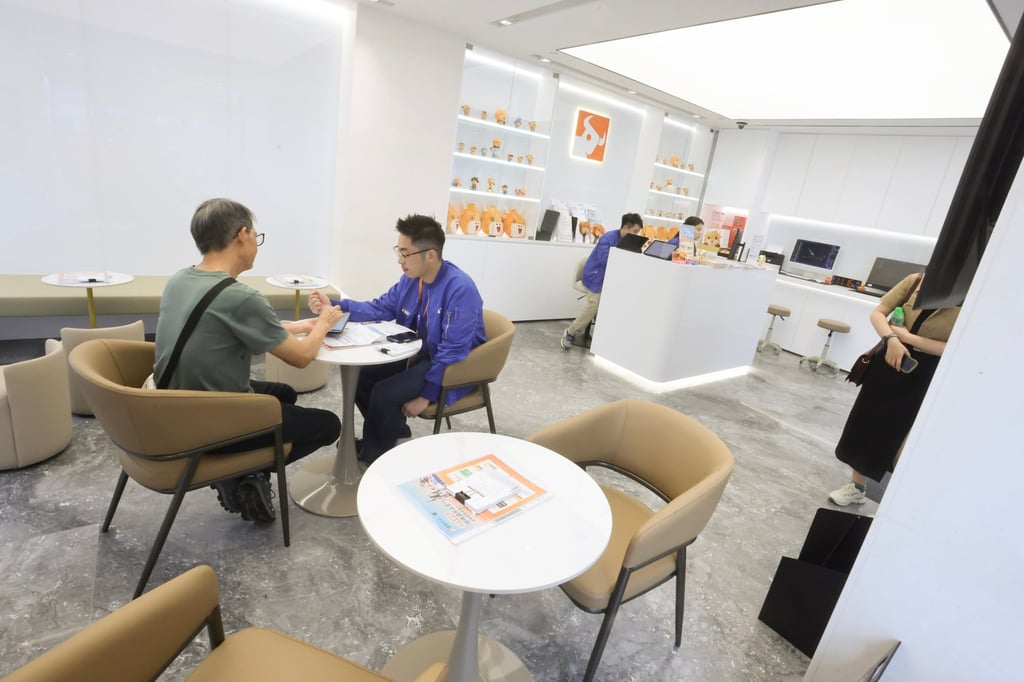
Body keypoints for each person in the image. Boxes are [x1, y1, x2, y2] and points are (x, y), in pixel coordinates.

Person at [155, 198, 343, 522]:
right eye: (257, 236)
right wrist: (325, 323)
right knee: (329, 425)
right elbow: (301, 357)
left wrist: (300, 326)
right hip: (213, 423)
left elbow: (236, 328)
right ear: (242, 235)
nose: (257, 243)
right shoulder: (240, 296)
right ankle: (240, 471)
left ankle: (246, 477)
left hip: (173, 407)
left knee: (283, 394)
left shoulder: (180, 280)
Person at [309, 214, 485, 463]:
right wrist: (335, 306)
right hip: (419, 354)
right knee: (361, 376)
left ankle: (376, 455)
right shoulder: (412, 280)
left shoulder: (460, 289)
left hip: (448, 365)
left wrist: (426, 397)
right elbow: (380, 307)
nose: (399, 260)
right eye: (398, 251)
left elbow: (452, 352)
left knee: (384, 393)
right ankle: (394, 438)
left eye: (405, 253)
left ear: (430, 255)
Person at [828, 273, 960, 506]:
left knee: (905, 436)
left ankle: (898, 502)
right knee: (868, 424)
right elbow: (879, 312)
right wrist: (892, 339)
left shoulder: (970, 298)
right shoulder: (916, 281)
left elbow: (957, 346)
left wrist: (908, 337)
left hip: (926, 373)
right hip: (888, 361)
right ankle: (857, 487)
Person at [561, 212, 643, 350]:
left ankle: (608, 337)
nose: (636, 235)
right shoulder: (607, 239)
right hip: (595, 277)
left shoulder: (629, 242)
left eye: (638, 232)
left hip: (611, 280)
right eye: (635, 231)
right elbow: (606, 261)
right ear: (625, 228)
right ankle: (571, 332)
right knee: (595, 304)